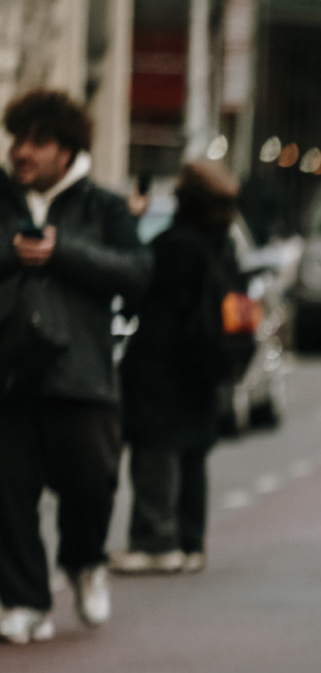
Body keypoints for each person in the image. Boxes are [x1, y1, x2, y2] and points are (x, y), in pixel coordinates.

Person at [0, 89, 153, 644]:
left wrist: (63, 253)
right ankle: (23, 600)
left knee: (91, 483)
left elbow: (137, 272)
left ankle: (85, 562)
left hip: (82, 374)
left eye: (38, 142)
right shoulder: (2, 202)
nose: (22, 153)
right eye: (18, 139)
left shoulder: (102, 207)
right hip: (10, 375)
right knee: (9, 493)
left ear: (67, 152)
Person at [112, 162, 244, 576]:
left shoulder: (173, 246)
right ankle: (190, 543)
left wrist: (131, 223)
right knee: (192, 454)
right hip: (204, 366)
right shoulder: (223, 245)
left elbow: (134, 286)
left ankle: (155, 541)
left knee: (155, 450)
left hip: (161, 364)